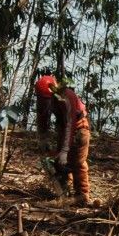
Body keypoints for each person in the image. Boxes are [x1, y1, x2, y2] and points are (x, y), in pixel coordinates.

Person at [34, 72, 94, 205]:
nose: (44, 102)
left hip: (79, 127)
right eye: (42, 99)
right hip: (63, 128)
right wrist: (42, 139)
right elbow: (42, 117)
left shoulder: (67, 96)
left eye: (46, 99)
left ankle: (82, 195)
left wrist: (65, 151)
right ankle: (63, 191)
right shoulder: (43, 100)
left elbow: (71, 123)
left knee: (77, 161)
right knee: (59, 162)